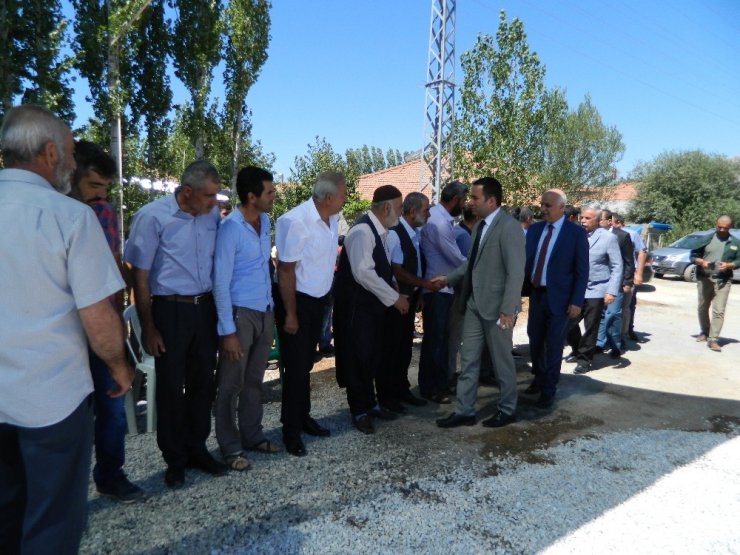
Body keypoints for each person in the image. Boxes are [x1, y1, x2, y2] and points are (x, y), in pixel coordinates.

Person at [0, 105, 134, 553]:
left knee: (7, 513)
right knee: (52, 520)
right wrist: (120, 366)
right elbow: (98, 319)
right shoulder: (69, 217)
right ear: (50, 153)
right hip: (51, 398)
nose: (76, 162)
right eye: (72, 152)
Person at [124, 160, 226, 487]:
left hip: (204, 308)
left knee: (202, 383)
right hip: (170, 310)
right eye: (209, 196)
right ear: (187, 191)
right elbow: (139, 277)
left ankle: (197, 448)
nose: (214, 202)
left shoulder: (210, 216)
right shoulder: (152, 217)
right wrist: (149, 327)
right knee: (170, 387)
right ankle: (175, 459)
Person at [69, 140, 144, 503]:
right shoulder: (58, 213)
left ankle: (110, 475)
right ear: (71, 178)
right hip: (66, 331)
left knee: (113, 404)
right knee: (68, 417)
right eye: (94, 185)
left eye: (106, 188)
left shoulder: (106, 213)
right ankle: (63, 489)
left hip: (105, 322)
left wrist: (122, 312)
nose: (101, 195)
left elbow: (112, 261)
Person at [435, 177, 525, 429]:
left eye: (475, 198)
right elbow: (470, 264)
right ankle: (465, 411)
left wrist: (509, 308)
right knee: (469, 360)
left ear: (491, 200)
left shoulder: (510, 228)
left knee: (501, 362)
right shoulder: (479, 227)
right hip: (474, 304)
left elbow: (516, 272)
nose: (470, 202)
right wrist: (448, 279)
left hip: (498, 309)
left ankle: (507, 409)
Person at [213, 166, 281, 472]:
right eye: (269, 192)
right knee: (230, 383)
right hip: (240, 315)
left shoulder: (265, 221)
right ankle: (229, 447)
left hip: (264, 311)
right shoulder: (230, 229)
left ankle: (253, 436)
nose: (274, 196)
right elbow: (220, 281)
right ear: (251, 196)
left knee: (255, 380)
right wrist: (227, 330)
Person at [274, 171, 346, 456]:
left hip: (318, 301)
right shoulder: (294, 221)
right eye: (342, 195)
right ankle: (290, 430)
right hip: (297, 302)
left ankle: (303, 417)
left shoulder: (332, 219)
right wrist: (291, 314)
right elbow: (285, 270)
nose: (345, 200)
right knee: (294, 368)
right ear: (328, 197)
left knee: (305, 365)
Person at [334, 185, 410, 433]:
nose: (400, 213)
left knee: (372, 357)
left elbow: (381, 268)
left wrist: (393, 284)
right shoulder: (362, 232)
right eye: (398, 208)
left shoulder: (381, 232)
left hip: (373, 310)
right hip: (358, 310)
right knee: (358, 359)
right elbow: (363, 273)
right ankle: (359, 411)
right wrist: (394, 297)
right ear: (386, 207)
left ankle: (370, 404)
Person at [522, 190, 588, 408]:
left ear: (562, 207)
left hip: (560, 298)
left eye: (548, 205)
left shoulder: (575, 234)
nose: (543, 209)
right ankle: (539, 378)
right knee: (535, 339)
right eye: (542, 204)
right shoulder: (534, 230)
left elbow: (581, 271)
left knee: (554, 344)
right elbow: (526, 262)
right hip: (537, 294)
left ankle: (549, 389)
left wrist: (576, 301)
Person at [379, 192, 438, 412]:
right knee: (391, 349)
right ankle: (387, 396)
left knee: (404, 348)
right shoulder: (395, 234)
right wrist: (425, 284)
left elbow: (416, 264)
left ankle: (402, 390)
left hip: (410, 298)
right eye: (426, 210)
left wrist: (420, 293)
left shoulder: (414, 233)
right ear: (412, 212)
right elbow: (398, 272)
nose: (429, 214)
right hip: (396, 300)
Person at [419, 180, 468, 403]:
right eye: (464, 200)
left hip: (442, 288)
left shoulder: (441, 219)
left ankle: (432, 385)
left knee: (437, 339)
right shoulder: (439, 222)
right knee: (436, 341)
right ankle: (434, 388)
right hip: (437, 288)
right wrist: (477, 265)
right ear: (456, 199)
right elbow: (455, 257)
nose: (465, 204)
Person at [566, 207, 623, 374]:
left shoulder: (608, 238)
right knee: (568, 324)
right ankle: (577, 349)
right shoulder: (574, 235)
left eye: (588, 218)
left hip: (597, 288)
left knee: (591, 326)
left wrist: (611, 291)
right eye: (581, 217)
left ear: (598, 221)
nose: (583, 220)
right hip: (576, 288)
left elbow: (617, 266)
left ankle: (585, 360)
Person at [690, 215, 740, 352]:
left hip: (723, 280)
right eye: (720, 227)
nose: (722, 229)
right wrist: (702, 262)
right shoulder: (706, 239)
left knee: (719, 310)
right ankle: (705, 332)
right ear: (716, 224)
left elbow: (739, 260)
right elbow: (693, 256)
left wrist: (730, 265)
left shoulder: (735, 243)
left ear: (730, 227)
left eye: (725, 228)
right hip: (705, 278)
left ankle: (713, 339)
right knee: (702, 307)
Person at [595, 209, 634, 358]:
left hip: (616, 282)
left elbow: (629, 261)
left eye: (601, 219)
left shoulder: (622, 236)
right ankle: (599, 342)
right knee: (602, 313)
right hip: (599, 282)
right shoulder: (594, 235)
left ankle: (615, 345)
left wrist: (627, 281)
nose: (598, 222)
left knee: (613, 313)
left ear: (609, 221)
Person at [612, 214, 647, 343]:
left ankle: (625, 332)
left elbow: (642, 252)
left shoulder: (631, 234)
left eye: (614, 223)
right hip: (614, 274)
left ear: (619, 223)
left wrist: (638, 274)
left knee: (628, 305)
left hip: (628, 274)